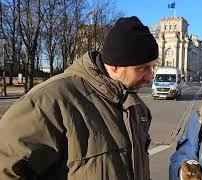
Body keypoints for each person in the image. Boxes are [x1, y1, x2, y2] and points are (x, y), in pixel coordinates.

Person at [0, 16, 158, 180]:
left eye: (152, 67)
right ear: (115, 66)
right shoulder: (49, 102)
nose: (149, 77)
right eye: (142, 68)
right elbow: (6, 169)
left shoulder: (136, 107)